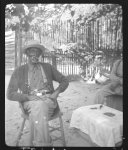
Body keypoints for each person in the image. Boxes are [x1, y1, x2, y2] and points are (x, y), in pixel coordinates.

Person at [6, 40, 69, 146]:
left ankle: (38, 142)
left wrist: (56, 92)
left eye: (37, 52)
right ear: (27, 54)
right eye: (31, 51)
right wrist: (27, 97)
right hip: (29, 101)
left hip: (48, 99)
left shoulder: (47, 67)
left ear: (40, 54)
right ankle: (44, 144)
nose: (35, 54)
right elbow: (10, 94)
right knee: (38, 107)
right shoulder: (19, 71)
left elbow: (64, 80)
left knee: (38, 110)